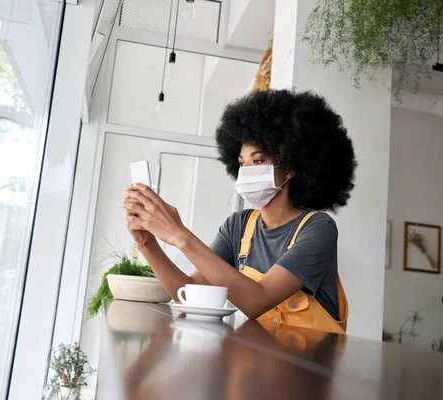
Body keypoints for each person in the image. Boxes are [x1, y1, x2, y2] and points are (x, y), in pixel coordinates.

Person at [122, 89, 356, 334]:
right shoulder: (238, 226)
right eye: (242, 163)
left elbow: (258, 301)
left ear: (290, 168)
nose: (246, 171)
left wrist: (180, 235)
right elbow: (189, 290)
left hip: (310, 365)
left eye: (258, 161)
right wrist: (147, 244)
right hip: (259, 359)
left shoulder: (318, 228)